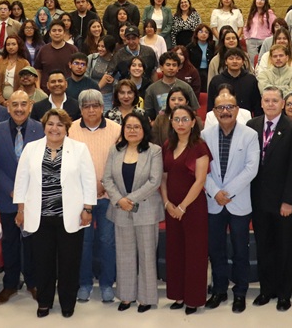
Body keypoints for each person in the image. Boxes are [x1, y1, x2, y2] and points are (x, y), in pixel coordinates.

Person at [14, 108, 96, 318]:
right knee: (43, 262)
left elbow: (88, 180)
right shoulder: (31, 148)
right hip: (39, 216)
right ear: (44, 126)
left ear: (67, 128)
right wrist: (21, 209)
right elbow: (21, 180)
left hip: (70, 215)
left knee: (69, 263)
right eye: (50, 124)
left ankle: (68, 302)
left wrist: (87, 208)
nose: (54, 128)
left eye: (60, 124)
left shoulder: (79, 149)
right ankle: (44, 301)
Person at [247, 87, 292, 311]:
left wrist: (289, 200)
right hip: (258, 200)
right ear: (261, 103)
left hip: (283, 202)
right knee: (264, 247)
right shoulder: (252, 126)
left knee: (284, 248)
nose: (270, 104)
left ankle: (284, 294)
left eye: (275, 101)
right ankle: (266, 290)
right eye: (267, 100)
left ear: (283, 104)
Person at [202, 92, 260, 313]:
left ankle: (240, 292)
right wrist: (216, 192)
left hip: (239, 202)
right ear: (214, 112)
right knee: (215, 249)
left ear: (237, 109)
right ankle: (219, 290)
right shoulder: (204, 135)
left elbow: (251, 169)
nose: (225, 111)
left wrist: (227, 192)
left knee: (240, 250)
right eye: (220, 108)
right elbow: (202, 169)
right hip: (214, 202)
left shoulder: (250, 135)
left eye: (230, 107)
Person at [101, 112, 163, 312]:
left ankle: (146, 298)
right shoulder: (115, 150)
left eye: (137, 127)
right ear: (123, 129)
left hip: (146, 210)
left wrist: (130, 199)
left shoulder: (154, 151)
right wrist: (119, 200)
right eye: (128, 127)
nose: (132, 130)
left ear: (144, 129)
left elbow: (155, 181)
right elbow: (107, 178)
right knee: (124, 254)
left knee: (147, 255)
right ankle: (126, 296)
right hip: (120, 210)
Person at [0, 91, 44, 304]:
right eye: (14, 105)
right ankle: (10, 284)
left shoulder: (41, 130)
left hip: (34, 198)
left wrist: (27, 191)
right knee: (10, 242)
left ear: (30, 105)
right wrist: (13, 190)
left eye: (23, 104)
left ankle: (33, 282)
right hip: (7, 196)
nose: (19, 108)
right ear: (8, 106)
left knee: (33, 243)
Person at [67, 90, 122, 302]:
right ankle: (84, 283)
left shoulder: (116, 129)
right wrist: (87, 191)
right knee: (83, 242)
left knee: (107, 242)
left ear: (102, 107)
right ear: (80, 109)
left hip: (108, 196)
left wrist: (104, 187)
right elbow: (68, 165)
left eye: (96, 106)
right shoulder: (70, 130)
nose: (92, 110)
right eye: (87, 106)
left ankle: (108, 283)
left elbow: (120, 163)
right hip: (80, 200)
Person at [160, 103, 210, 314]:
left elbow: (200, 181)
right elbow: (163, 177)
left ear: (193, 122)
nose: (180, 123)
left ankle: (193, 299)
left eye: (185, 119)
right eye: (176, 119)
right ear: (171, 122)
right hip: (171, 208)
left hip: (193, 207)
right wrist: (167, 203)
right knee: (175, 251)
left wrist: (182, 207)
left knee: (194, 253)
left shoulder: (199, 146)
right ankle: (178, 296)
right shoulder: (167, 145)